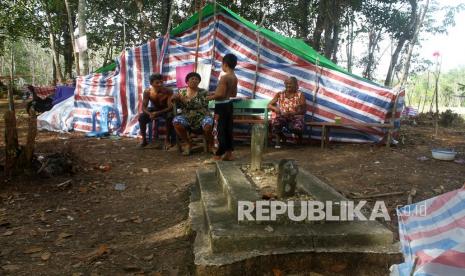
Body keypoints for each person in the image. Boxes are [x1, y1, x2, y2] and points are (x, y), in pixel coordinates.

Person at [172, 72, 214, 155]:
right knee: (176, 121)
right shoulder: (182, 92)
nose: (194, 80)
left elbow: (199, 103)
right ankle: (187, 143)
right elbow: (173, 101)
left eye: (197, 79)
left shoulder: (203, 92)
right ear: (187, 81)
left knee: (208, 124)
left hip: (202, 116)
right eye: (192, 79)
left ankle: (211, 145)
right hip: (187, 117)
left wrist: (184, 100)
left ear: (199, 82)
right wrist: (174, 98)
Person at [207, 53, 238, 161]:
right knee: (228, 129)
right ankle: (229, 153)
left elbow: (219, 95)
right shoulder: (234, 77)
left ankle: (218, 155)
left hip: (221, 106)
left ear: (225, 64)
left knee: (219, 130)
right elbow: (233, 94)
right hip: (229, 105)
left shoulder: (225, 77)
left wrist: (208, 97)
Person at [267, 77, 307, 148]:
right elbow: (269, 105)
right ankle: (281, 138)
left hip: (295, 116)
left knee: (296, 127)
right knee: (275, 122)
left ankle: (299, 139)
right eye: (287, 83)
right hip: (283, 116)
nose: (288, 85)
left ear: (296, 85)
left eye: (291, 84)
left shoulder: (300, 95)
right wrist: (275, 108)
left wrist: (293, 113)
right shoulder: (280, 94)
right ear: (285, 84)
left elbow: (304, 110)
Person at [138, 73, 174, 148]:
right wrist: (149, 114)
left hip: (165, 110)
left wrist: (157, 113)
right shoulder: (147, 92)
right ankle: (144, 140)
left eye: (161, 82)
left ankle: (167, 140)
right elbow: (143, 107)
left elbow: (170, 107)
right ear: (151, 83)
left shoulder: (168, 91)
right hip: (155, 109)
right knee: (141, 117)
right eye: (157, 82)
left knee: (170, 116)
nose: (160, 84)